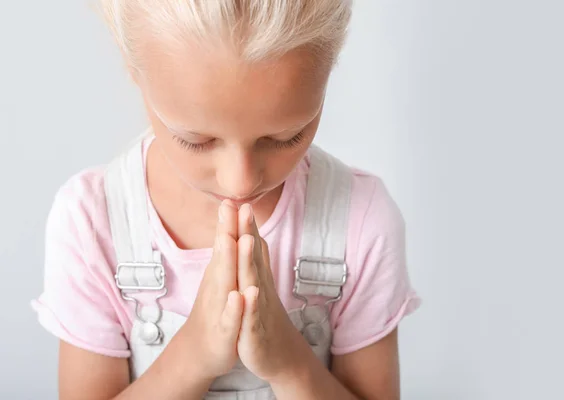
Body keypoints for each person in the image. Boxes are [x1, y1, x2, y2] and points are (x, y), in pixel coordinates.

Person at [31, 1, 421, 399]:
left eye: (286, 137)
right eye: (195, 140)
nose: (240, 183)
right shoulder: (93, 223)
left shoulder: (360, 220)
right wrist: (193, 356)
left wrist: (289, 364)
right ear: (135, 69)